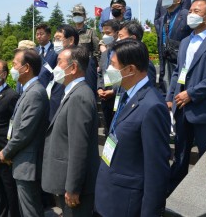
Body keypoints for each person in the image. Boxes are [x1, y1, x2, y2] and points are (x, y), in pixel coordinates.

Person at [94, 39, 171, 217]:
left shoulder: (152, 106)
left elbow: (156, 170)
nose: (109, 70)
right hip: (109, 195)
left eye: (113, 65)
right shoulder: (126, 94)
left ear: (130, 69)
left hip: (127, 204)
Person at [166, 0, 206, 193]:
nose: (191, 14)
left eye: (196, 11)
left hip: (204, 109)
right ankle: (175, 194)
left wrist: (191, 94)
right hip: (181, 107)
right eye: (190, 10)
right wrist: (170, 97)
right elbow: (178, 72)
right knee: (180, 155)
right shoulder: (185, 41)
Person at [42, 45, 100, 217]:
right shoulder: (72, 92)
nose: (55, 67)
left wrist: (73, 187)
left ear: (73, 67)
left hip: (76, 187)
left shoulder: (79, 96)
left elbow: (79, 147)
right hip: (66, 181)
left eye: (60, 62)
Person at [0, 49, 49, 217]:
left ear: (26, 68)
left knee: (31, 211)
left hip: (28, 162)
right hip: (21, 160)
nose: (12, 68)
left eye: (14, 64)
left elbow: (24, 132)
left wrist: (6, 151)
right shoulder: (28, 90)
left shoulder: (35, 93)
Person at [0, 59, 21, 217]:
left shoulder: (11, 95)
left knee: (10, 191)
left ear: (4, 74)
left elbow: (15, 125)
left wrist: (8, 151)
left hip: (4, 152)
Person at [155, 0, 193, 95]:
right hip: (166, 60)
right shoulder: (163, 18)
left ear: (178, 0)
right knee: (168, 87)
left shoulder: (186, 15)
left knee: (180, 88)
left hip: (181, 61)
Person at [97, 19, 121, 134]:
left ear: (116, 33)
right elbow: (101, 73)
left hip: (118, 95)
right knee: (107, 129)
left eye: (108, 33)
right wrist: (100, 88)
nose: (105, 36)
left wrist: (114, 91)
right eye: (103, 33)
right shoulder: (105, 53)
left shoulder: (123, 51)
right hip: (105, 96)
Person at [118, 21, 157, 86]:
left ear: (133, 38)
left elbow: (147, 88)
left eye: (121, 36)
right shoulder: (125, 61)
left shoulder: (146, 65)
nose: (118, 40)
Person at [71, 4, 100, 88]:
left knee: (89, 88)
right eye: (75, 14)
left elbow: (96, 50)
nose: (77, 16)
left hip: (88, 64)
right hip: (73, 63)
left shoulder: (90, 32)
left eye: (79, 14)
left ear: (84, 16)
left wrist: (98, 65)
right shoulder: (70, 32)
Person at [35, 23, 58, 88]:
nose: (39, 36)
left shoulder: (56, 50)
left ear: (49, 36)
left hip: (51, 87)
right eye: (37, 34)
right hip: (36, 87)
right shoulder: (33, 51)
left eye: (41, 34)